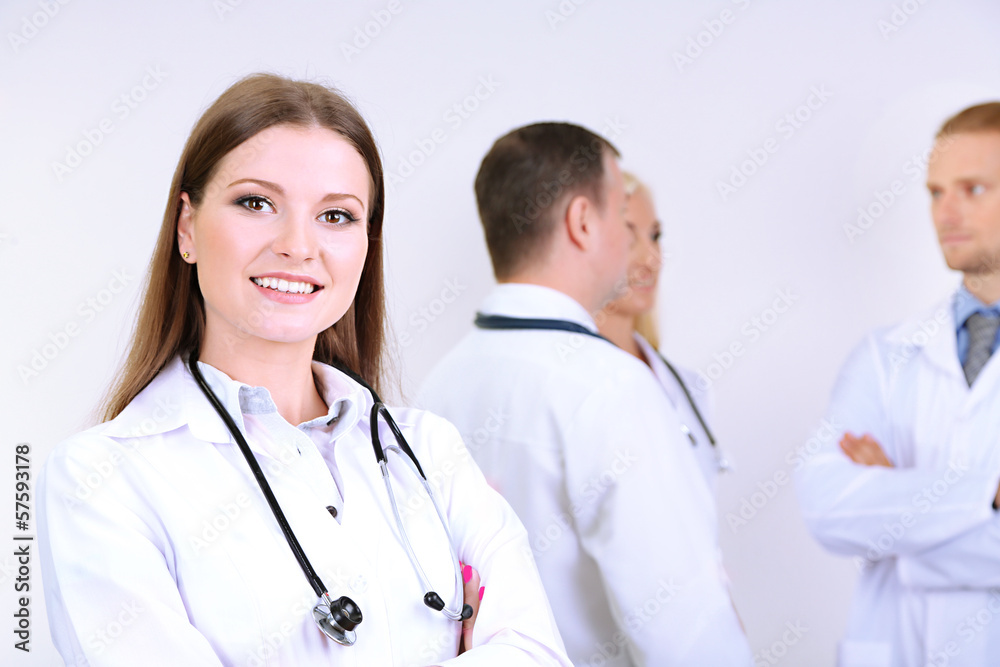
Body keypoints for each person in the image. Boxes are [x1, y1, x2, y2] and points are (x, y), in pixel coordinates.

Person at [38, 73, 571, 666]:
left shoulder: (427, 452)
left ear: (367, 244)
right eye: (256, 203)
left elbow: (538, 654)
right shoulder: (101, 479)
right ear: (187, 227)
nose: (298, 245)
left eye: (336, 216)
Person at [418, 123, 751, 666]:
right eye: (622, 215)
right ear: (582, 222)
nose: (634, 244)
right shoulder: (612, 388)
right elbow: (686, 636)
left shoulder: (440, 385)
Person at [796, 102, 1000, 667]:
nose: (946, 212)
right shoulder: (885, 356)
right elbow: (826, 508)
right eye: (935, 192)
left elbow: (862, 517)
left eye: (973, 189)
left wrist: (899, 523)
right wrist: (986, 496)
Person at [595, 172, 725, 489]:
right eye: (628, 239)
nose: (651, 258)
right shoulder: (567, 382)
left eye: (654, 236)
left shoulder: (689, 387)